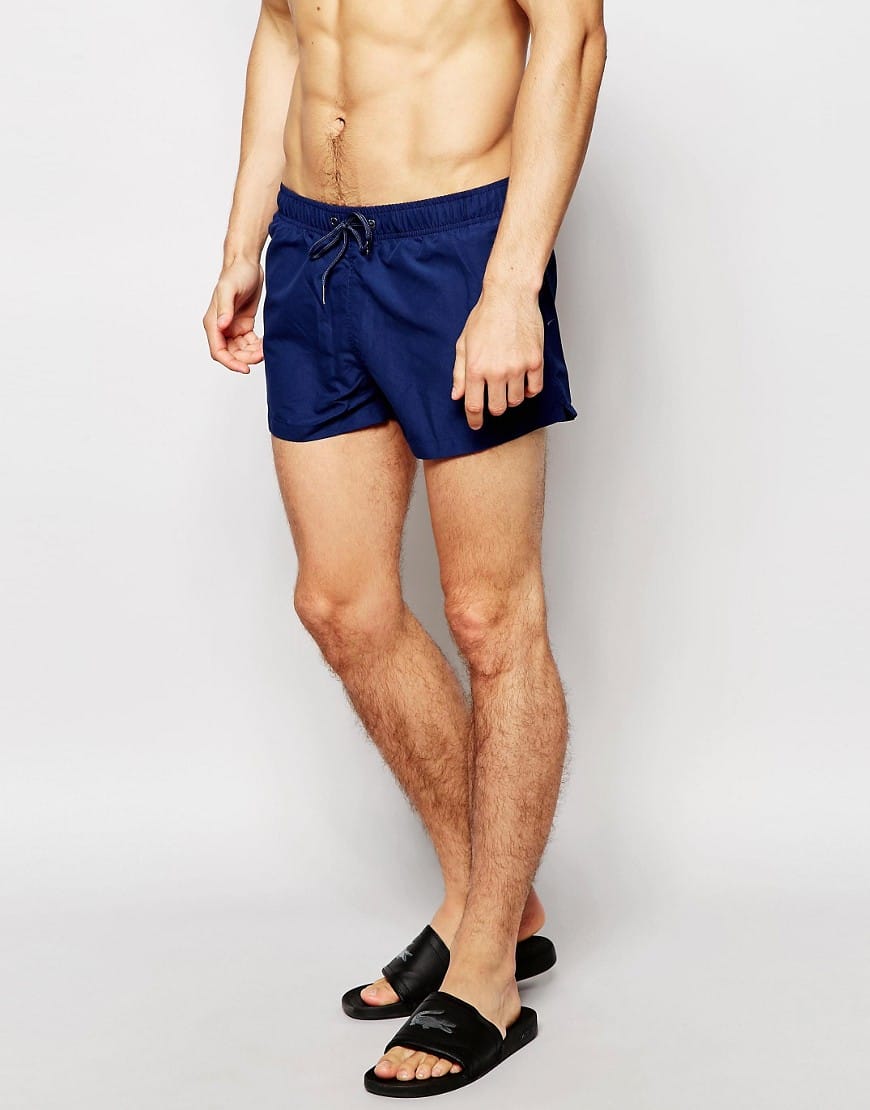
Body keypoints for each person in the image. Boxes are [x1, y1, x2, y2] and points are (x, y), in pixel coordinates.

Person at [203, 0, 607, 1097]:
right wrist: (243, 240)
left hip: (460, 246)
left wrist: (512, 283)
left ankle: (487, 975)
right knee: (341, 605)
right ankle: (494, 903)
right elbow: (285, 29)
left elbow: (573, 35)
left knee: (491, 615)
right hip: (311, 247)